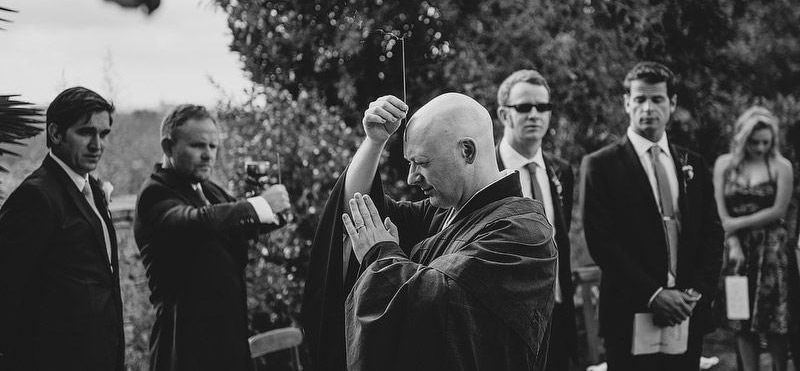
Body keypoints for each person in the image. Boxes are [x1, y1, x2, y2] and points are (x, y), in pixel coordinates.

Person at [302, 93, 557, 371]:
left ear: (467, 151)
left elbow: (438, 304)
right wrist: (375, 142)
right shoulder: (443, 212)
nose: (412, 177)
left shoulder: (524, 231)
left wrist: (380, 255)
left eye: (422, 163)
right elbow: (356, 210)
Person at [581, 62, 724, 371]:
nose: (648, 107)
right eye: (640, 99)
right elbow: (602, 242)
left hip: (687, 313)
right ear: (626, 103)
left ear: (671, 103)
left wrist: (693, 295)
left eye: (657, 99)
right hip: (629, 313)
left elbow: (712, 234)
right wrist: (654, 295)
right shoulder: (600, 165)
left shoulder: (694, 164)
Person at [133, 104, 292, 371]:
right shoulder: (154, 193)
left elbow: (240, 223)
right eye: (198, 146)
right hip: (185, 348)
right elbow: (199, 221)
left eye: (213, 147)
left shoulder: (209, 189)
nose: (208, 155)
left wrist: (275, 210)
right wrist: (260, 205)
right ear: (168, 146)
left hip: (230, 343)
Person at [0, 86, 124, 371]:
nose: (97, 145)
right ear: (55, 134)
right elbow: (7, 290)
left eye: (103, 134)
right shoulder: (35, 197)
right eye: (85, 132)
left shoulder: (90, 187)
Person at [495, 69, 578, 371]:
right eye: (524, 107)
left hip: (557, 317)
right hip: (506, 323)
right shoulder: (487, 172)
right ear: (504, 114)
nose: (535, 114)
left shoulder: (562, 171)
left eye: (542, 107)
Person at [713, 106, 794, 371]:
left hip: (772, 251)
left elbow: (778, 210)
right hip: (737, 252)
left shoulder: (781, 166)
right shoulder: (725, 164)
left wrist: (737, 223)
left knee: (775, 321)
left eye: (765, 142)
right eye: (754, 142)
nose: (760, 148)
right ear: (742, 138)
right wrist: (733, 240)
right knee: (741, 318)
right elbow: (720, 209)